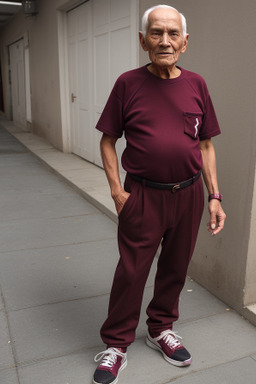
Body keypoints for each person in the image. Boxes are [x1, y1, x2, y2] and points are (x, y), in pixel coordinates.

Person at [92, 4, 226, 384]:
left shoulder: (197, 84)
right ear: (142, 40)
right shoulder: (127, 84)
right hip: (143, 196)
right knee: (132, 271)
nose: (164, 41)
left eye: (172, 34)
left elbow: (206, 146)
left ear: (185, 42)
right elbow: (107, 141)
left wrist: (215, 196)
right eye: (156, 33)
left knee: (175, 268)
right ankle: (116, 344)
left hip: (188, 196)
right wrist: (118, 192)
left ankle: (160, 328)